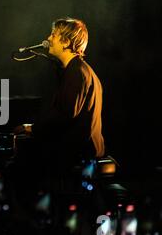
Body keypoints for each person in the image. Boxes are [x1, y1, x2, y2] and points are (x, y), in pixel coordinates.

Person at [14, 17, 105, 173]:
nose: (48, 38)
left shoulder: (76, 73)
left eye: (54, 34)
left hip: (78, 155)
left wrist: (32, 129)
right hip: (79, 151)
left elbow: (65, 115)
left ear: (66, 42)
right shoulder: (77, 70)